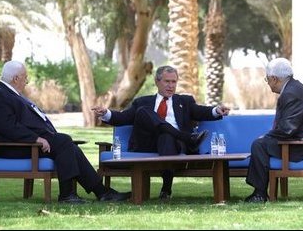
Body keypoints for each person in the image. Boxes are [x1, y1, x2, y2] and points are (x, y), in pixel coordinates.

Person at [0, 60, 131, 204]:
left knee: (70, 146)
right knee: (64, 141)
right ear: (15, 78)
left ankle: (102, 192)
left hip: (24, 143)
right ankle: (69, 195)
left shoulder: (8, 93)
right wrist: (36, 139)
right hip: (13, 148)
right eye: (25, 78)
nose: (26, 82)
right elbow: (8, 127)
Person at [92, 65, 230, 201]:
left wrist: (216, 111)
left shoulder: (184, 101)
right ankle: (188, 138)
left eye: (174, 82)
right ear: (157, 81)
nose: (171, 86)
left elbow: (201, 111)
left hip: (172, 144)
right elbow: (123, 118)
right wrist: (106, 113)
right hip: (147, 143)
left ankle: (166, 189)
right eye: (167, 81)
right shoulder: (142, 102)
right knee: (142, 111)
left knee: (166, 136)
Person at [244, 58, 303, 203]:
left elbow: (287, 129)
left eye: (267, 80)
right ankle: (259, 192)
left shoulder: (292, 93)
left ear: (274, 79)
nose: (268, 83)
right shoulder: (294, 88)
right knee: (262, 143)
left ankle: (259, 194)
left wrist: (265, 137)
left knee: (259, 145)